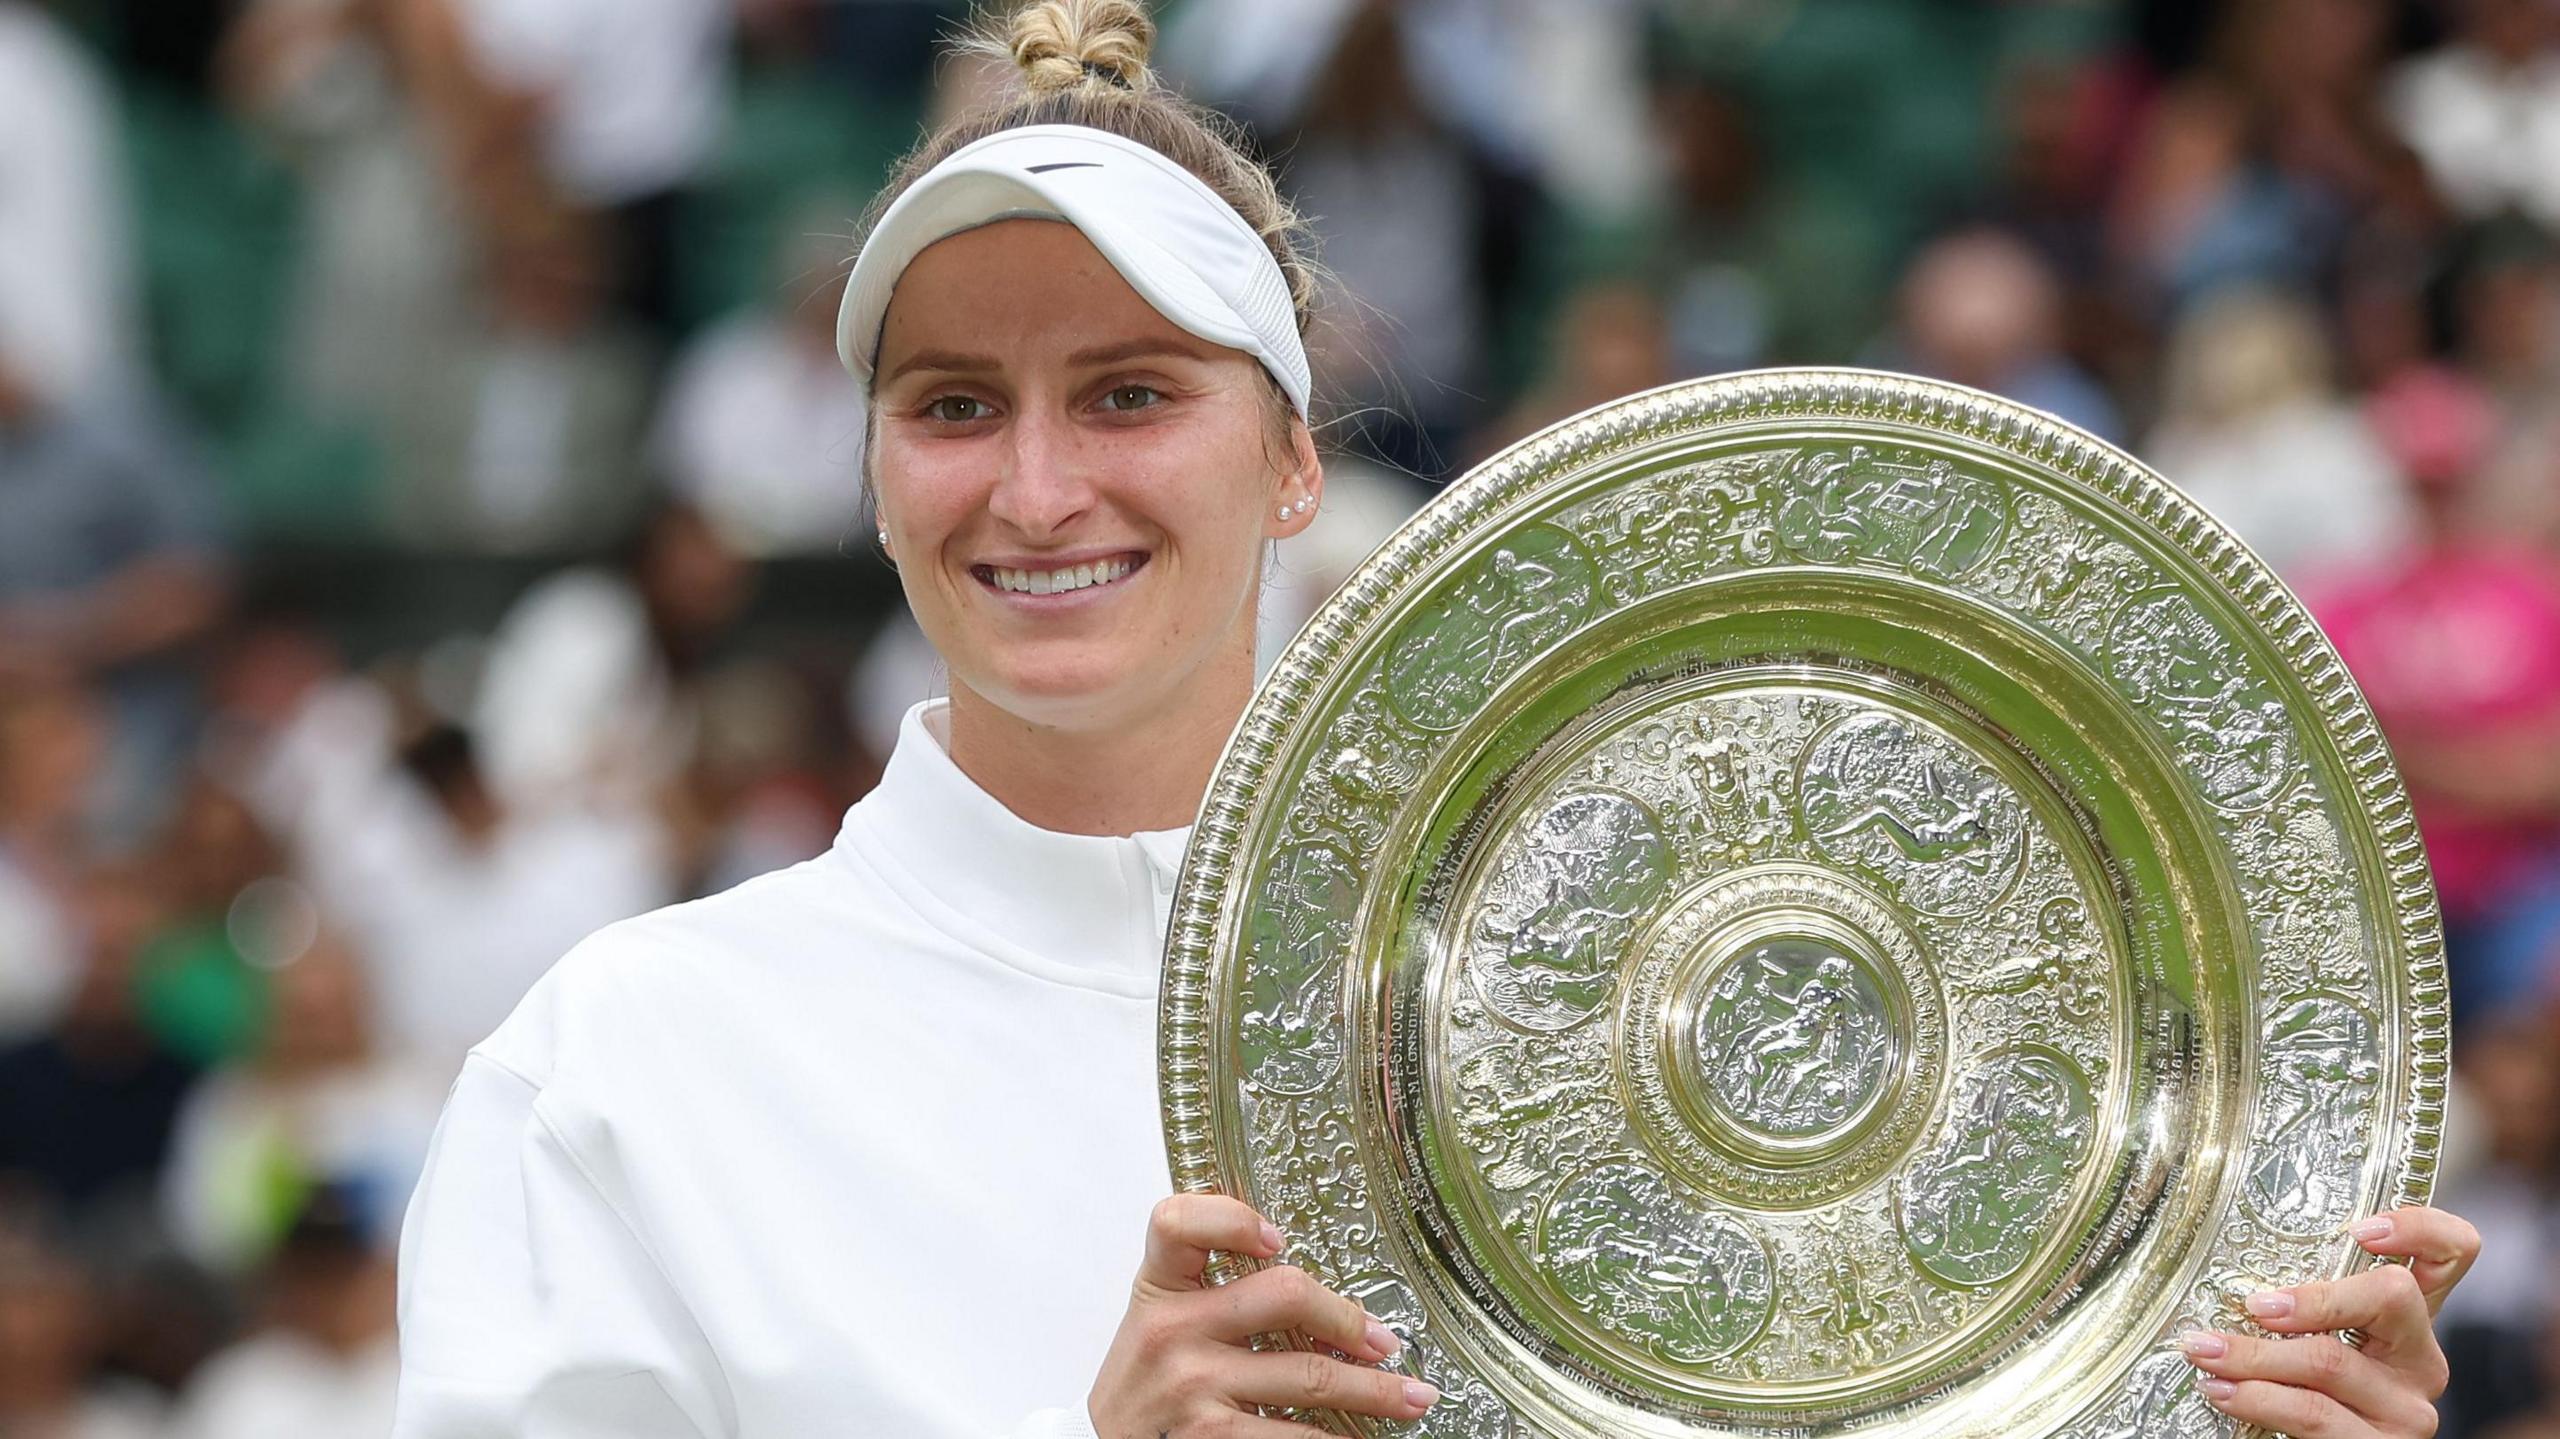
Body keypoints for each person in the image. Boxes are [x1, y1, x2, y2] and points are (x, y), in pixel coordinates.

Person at [389, 4, 2482, 1437]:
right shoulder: (627, 1071)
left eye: (1128, 393)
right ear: (871, 471)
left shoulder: (1629, 999)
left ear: (1293, 465)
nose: (1032, 491)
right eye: (952, 408)